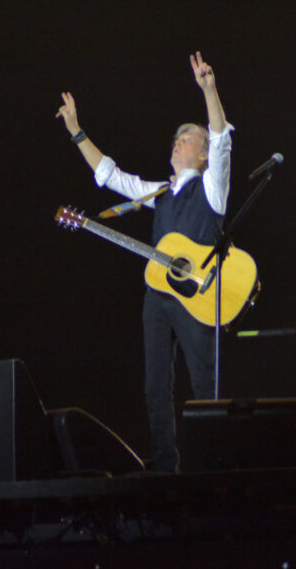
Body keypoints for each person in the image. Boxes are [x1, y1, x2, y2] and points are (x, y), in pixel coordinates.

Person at [55, 51, 233, 473]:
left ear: (203, 154)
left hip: (198, 297)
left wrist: (209, 89)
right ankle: (166, 470)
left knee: (204, 383)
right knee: (156, 388)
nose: (178, 141)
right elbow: (111, 177)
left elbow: (221, 136)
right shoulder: (158, 193)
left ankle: (211, 466)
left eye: (187, 138)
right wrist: (77, 131)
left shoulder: (212, 188)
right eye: (176, 138)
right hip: (158, 297)